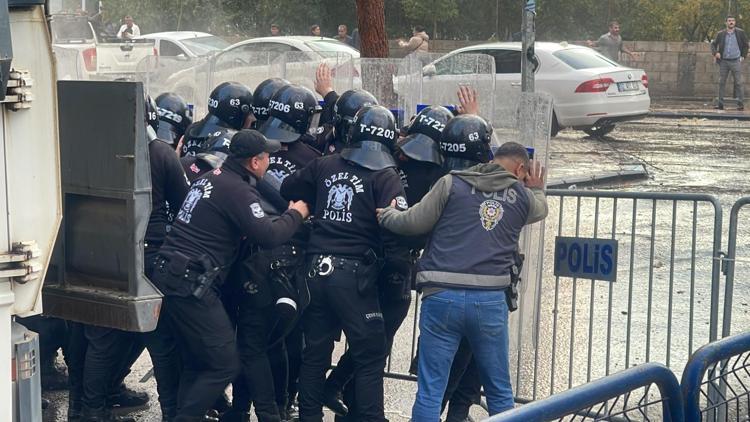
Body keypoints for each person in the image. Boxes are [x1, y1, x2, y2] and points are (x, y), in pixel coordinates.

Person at [377, 117, 548, 418]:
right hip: (490, 301)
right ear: (521, 170)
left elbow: (413, 221)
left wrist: (387, 215)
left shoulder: (451, 183)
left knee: (431, 388)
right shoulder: (522, 196)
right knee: (499, 389)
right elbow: (540, 207)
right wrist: (535, 188)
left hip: (442, 296)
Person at [151, 129, 309, 421]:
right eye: (267, 157)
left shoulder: (212, 178)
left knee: (198, 361)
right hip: (190, 282)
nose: (270, 162)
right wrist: (296, 214)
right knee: (225, 363)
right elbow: (268, 235)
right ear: (254, 162)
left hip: (170, 275)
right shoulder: (238, 190)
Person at [281, 105, 410, 422]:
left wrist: (313, 206)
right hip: (355, 276)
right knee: (370, 353)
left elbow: (287, 188)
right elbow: (398, 228)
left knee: (316, 353)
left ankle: (309, 417)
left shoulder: (323, 165)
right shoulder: (385, 176)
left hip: (315, 269)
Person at [181, 82, 254, 157]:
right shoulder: (232, 142)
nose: (253, 119)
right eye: (250, 114)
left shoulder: (192, 129)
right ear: (240, 112)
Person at [711, 15, 748, 110]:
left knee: (738, 82)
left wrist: (743, 56)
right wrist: (716, 53)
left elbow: (746, 45)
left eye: (733, 21)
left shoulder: (740, 33)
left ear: (735, 22)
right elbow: (713, 44)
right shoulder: (721, 34)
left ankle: (740, 104)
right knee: (721, 82)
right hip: (724, 61)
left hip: (736, 60)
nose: (731, 22)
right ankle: (720, 104)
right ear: (726, 22)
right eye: (729, 21)